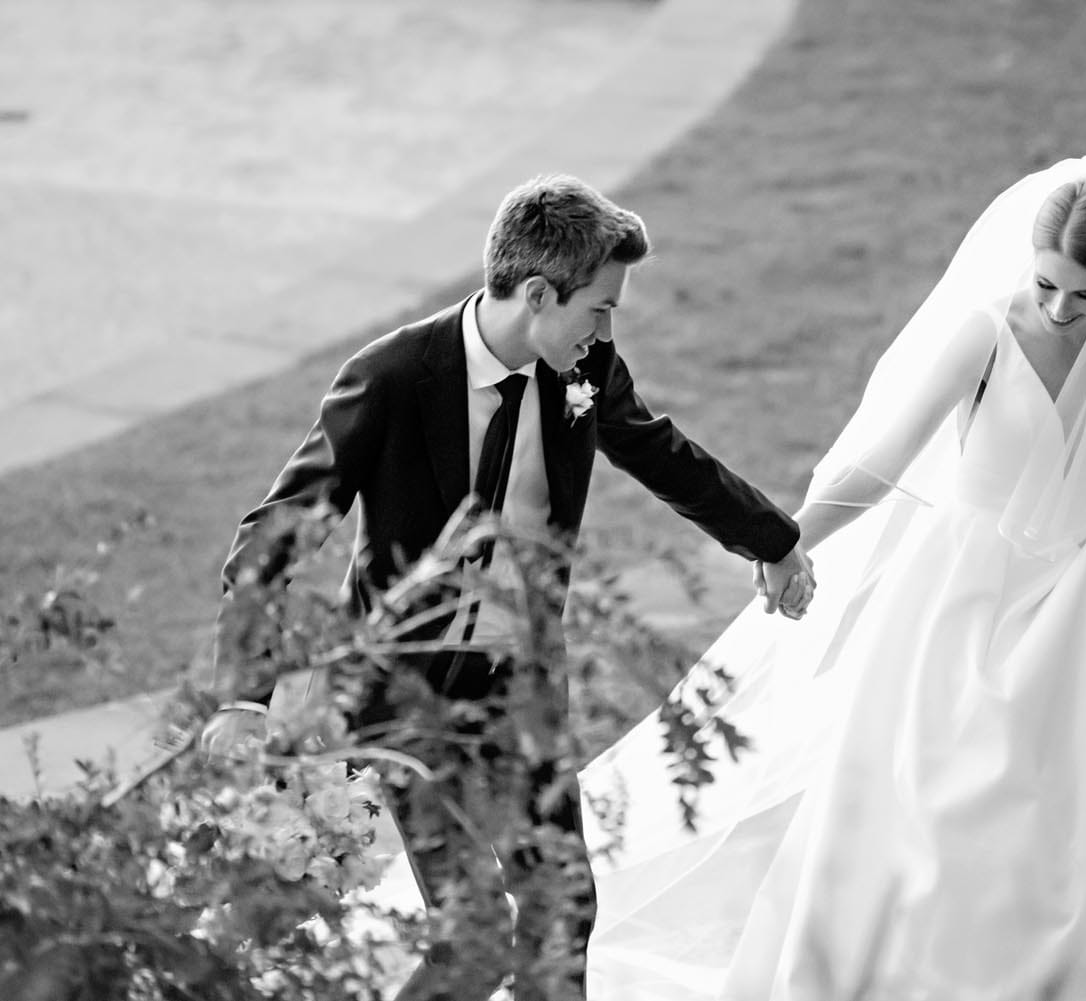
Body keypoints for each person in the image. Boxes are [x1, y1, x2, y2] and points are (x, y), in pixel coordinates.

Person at [579, 156, 1086, 1000]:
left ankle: (1082, 967)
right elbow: (883, 458)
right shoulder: (986, 332)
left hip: (1084, 595)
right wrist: (787, 540)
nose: (1061, 308)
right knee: (943, 793)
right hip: (964, 593)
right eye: (1048, 284)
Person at [206, 174, 815, 1000]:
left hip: (522, 689)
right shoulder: (393, 377)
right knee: (475, 937)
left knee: (563, 912)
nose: (606, 328)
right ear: (537, 294)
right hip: (405, 696)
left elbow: (659, 451)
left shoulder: (583, 368)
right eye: (599, 307)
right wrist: (242, 697)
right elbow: (274, 537)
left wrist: (774, 540)